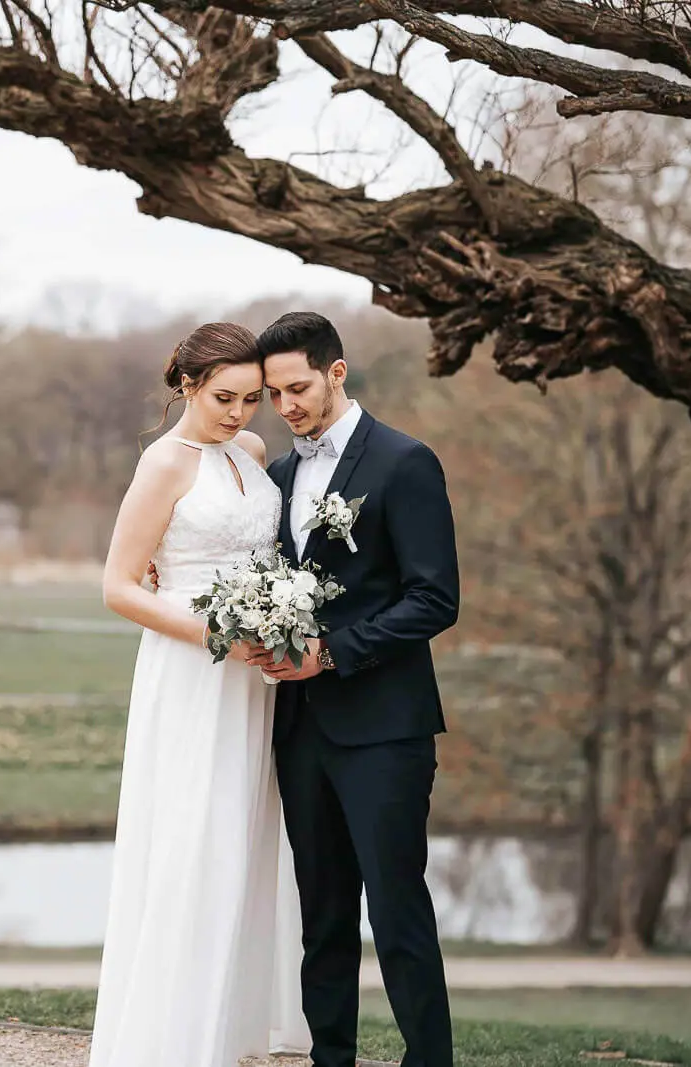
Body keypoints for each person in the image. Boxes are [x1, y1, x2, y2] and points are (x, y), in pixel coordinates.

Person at [91, 322, 310, 1066]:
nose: (240, 414)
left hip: (257, 677)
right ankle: (172, 1036)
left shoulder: (249, 453)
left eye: (253, 399)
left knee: (248, 835)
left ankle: (233, 1027)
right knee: (195, 834)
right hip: (194, 671)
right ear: (186, 384)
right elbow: (118, 586)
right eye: (225, 397)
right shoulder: (164, 463)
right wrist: (214, 630)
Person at [250, 311, 459, 1067]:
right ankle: (328, 1057)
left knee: (398, 912)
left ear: (337, 372)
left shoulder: (405, 462)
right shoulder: (277, 475)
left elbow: (436, 598)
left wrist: (332, 654)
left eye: (298, 387)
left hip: (385, 729)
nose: (286, 405)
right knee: (323, 915)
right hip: (301, 729)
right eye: (274, 393)